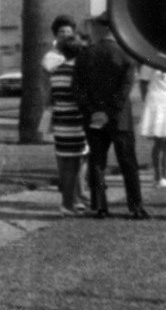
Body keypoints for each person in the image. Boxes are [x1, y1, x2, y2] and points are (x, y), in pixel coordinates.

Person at [72, 12, 148, 220]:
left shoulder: (85, 55)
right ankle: (135, 207)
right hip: (120, 119)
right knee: (128, 164)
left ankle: (99, 206)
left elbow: (77, 89)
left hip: (94, 119)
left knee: (97, 162)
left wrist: (93, 112)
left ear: (99, 29)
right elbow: (124, 91)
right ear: (114, 29)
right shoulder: (126, 56)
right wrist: (110, 113)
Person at [49, 36, 88, 216]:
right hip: (76, 123)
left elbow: (53, 98)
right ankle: (68, 203)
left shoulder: (56, 71)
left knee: (66, 166)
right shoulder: (79, 72)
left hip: (60, 123)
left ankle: (69, 201)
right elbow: (81, 99)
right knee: (75, 165)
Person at [138, 64, 166, 187]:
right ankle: (158, 176)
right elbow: (143, 83)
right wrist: (146, 101)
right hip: (156, 103)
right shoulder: (149, 62)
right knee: (158, 142)